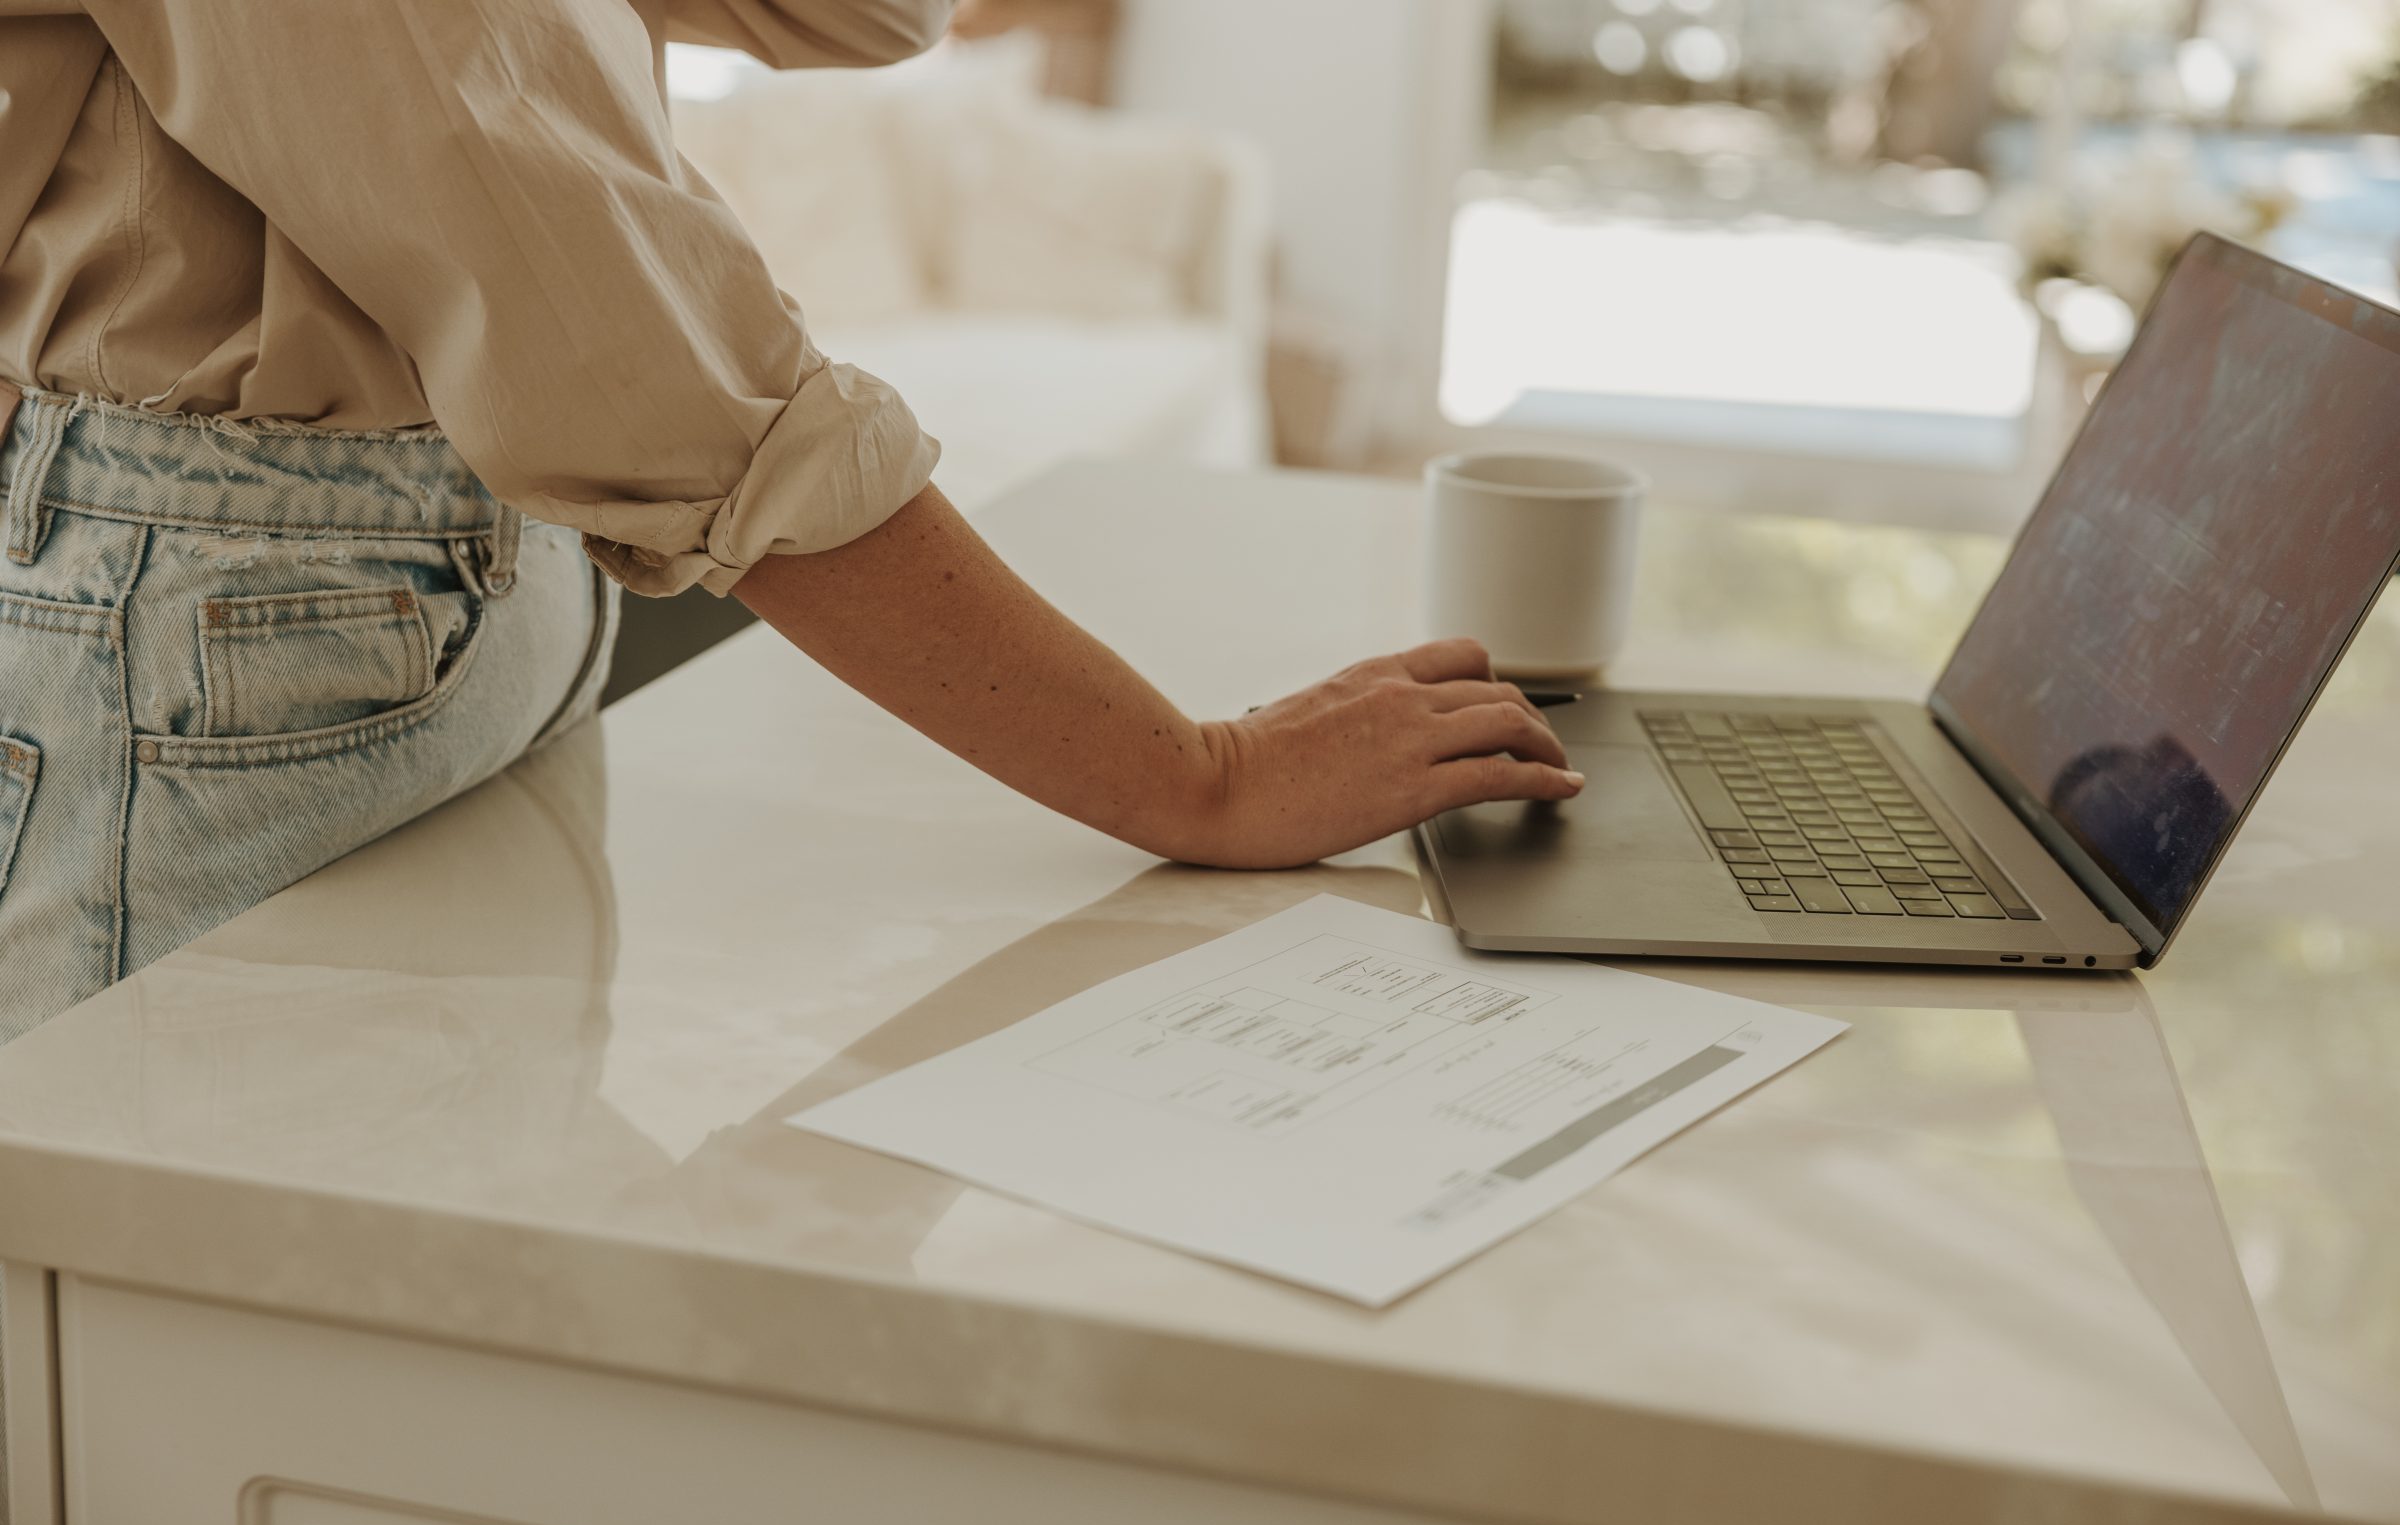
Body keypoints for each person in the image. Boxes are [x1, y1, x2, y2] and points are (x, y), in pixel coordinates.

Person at [0, 1, 1583, 1043]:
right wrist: (1201, 776)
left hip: (412, 605)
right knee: (236, 1370)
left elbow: (861, 13)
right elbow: (641, 357)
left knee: (435, 1330)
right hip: (224, 628)